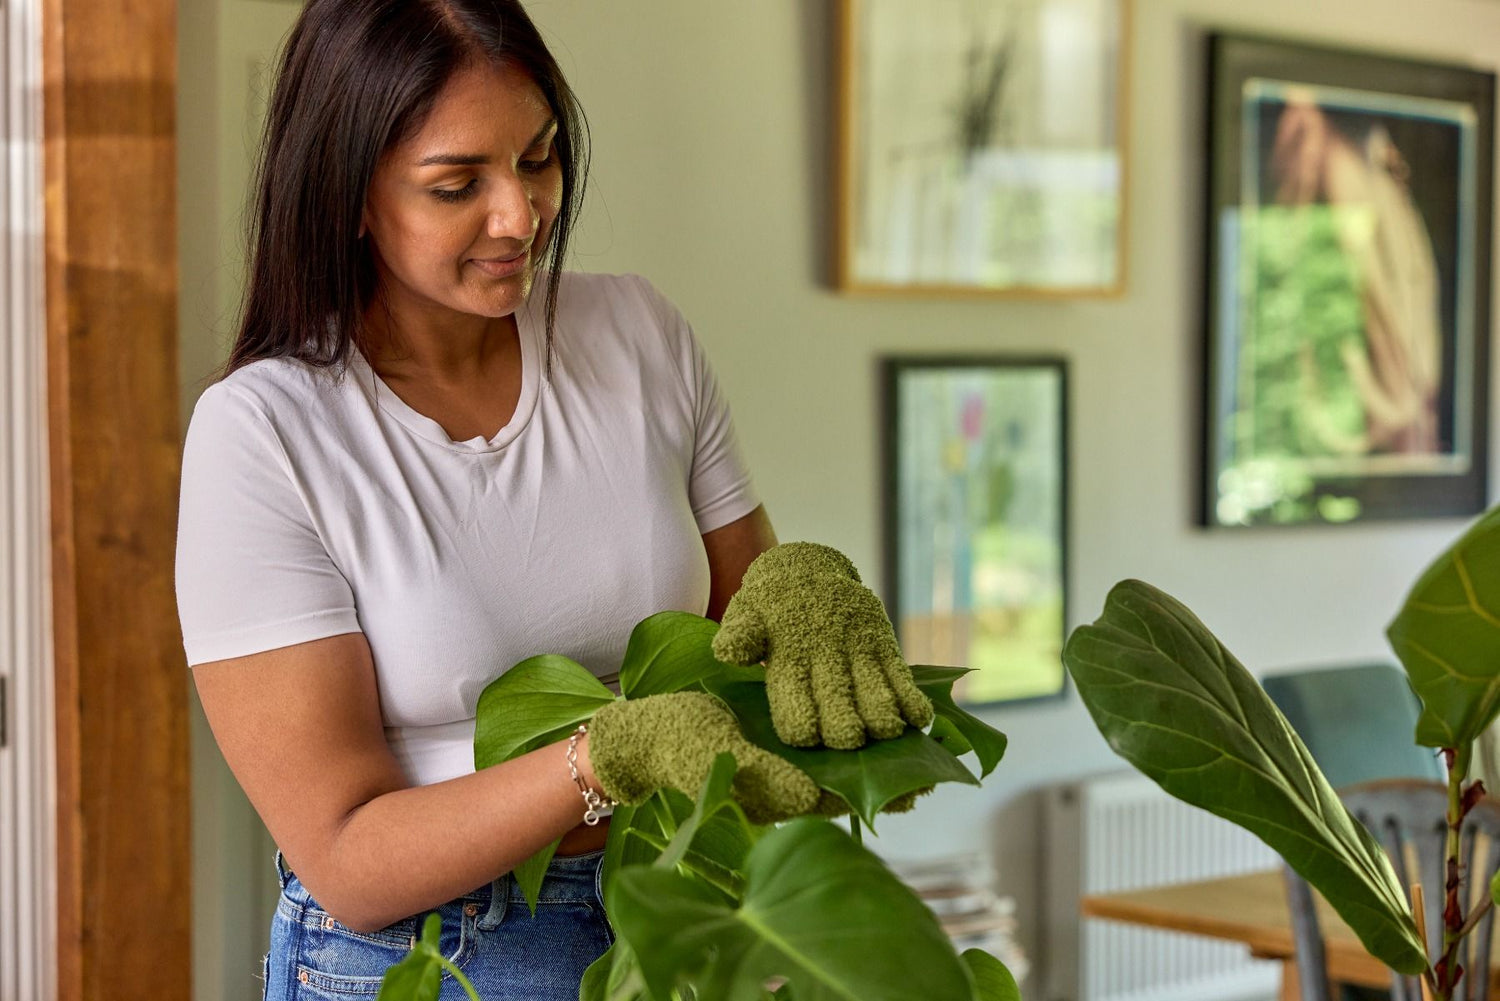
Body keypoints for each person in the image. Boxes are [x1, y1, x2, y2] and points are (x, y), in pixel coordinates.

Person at [174, 3, 930, 999]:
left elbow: (752, 651)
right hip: (435, 955)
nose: (519, 216)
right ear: (348, 195)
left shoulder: (637, 335)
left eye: (538, 159)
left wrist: (805, 578)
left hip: (680, 907)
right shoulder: (264, 434)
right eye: (458, 185)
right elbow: (347, 860)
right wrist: (603, 757)